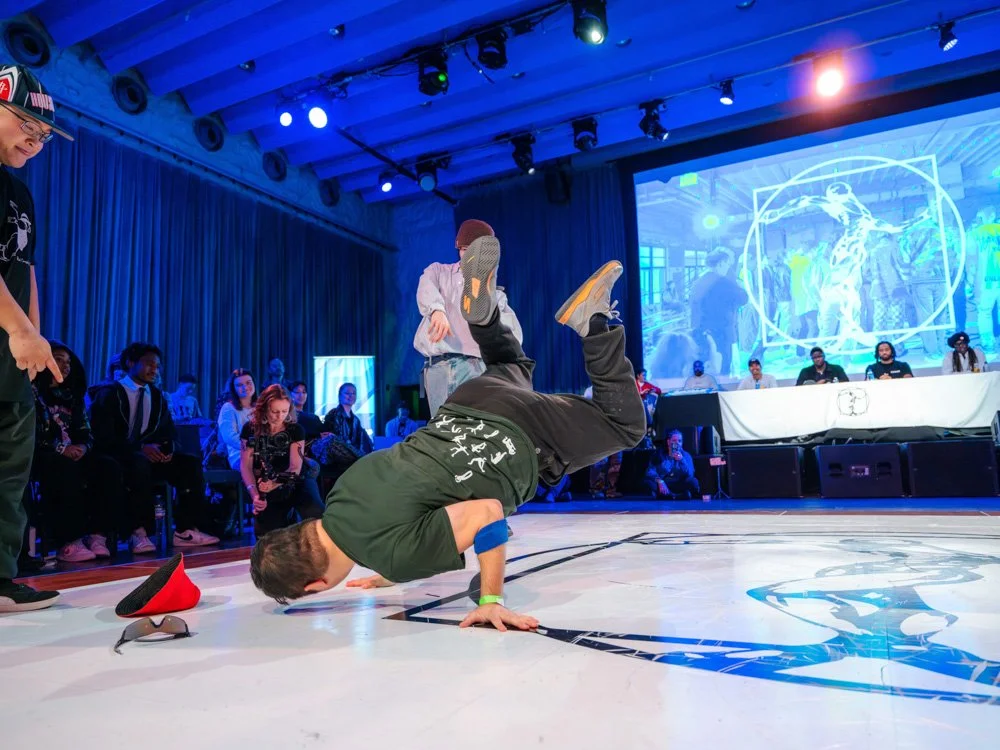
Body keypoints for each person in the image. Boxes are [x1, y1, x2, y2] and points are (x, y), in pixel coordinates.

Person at [250, 238, 646, 630]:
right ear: (300, 530)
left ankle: (594, 323)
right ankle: (483, 319)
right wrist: (388, 569)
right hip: (470, 399)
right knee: (513, 364)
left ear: (317, 586)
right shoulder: (342, 494)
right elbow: (403, 503)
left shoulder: (395, 555)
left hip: (516, 436)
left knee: (625, 426)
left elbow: (487, 513)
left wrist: (490, 600)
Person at [0, 65, 72, 612]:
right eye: (26, 123)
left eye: (44, 134)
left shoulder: (20, 193)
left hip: (11, 355)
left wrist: (36, 336)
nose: (36, 140)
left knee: (9, 469)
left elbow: (25, 269)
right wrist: (19, 328)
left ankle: (1, 576)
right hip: (9, 334)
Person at [90, 342, 219, 552]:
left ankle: (186, 530)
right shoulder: (110, 393)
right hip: (117, 456)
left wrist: (167, 449)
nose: (154, 370)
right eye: (149, 364)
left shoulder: (157, 396)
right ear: (130, 363)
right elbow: (103, 436)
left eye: (157, 366)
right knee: (138, 463)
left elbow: (169, 432)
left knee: (189, 464)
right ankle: (139, 532)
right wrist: (140, 447)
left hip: (147, 457)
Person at [414, 219, 523, 417]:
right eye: (464, 249)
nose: (467, 255)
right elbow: (426, 288)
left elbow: (514, 336)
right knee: (443, 426)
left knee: (473, 425)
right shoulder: (439, 272)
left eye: (474, 251)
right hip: (439, 365)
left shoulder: (495, 294)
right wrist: (437, 310)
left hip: (476, 366)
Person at [33, 341, 124, 562]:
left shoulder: (73, 397)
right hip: (43, 456)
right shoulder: (33, 393)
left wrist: (83, 446)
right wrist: (61, 448)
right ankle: (69, 541)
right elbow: (31, 433)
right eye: (58, 359)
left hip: (74, 454)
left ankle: (97, 535)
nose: (65, 366)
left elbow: (86, 432)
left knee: (108, 467)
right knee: (65, 469)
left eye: (68, 362)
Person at [240, 385, 323, 536]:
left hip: (295, 479)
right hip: (265, 481)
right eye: (275, 411)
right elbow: (246, 466)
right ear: (264, 408)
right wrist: (255, 495)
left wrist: (274, 483)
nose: (280, 416)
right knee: (267, 537)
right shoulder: (250, 429)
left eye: (284, 411)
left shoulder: (295, 430)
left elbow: (295, 468)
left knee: (315, 513)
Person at [217, 368, 256, 471]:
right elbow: (230, 437)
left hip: (264, 453)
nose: (245, 387)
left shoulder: (261, 407)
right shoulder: (228, 408)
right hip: (240, 456)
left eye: (248, 383)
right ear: (233, 389)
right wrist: (255, 447)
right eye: (239, 385)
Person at [646, 430, 699, 499]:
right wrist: (660, 481)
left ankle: (668, 496)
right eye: (674, 440)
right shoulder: (659, 454)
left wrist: (682, 460)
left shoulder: (686, 455)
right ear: (668, 442)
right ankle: (676, 496)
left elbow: (690, 474)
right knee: (648, 482)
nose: (677, 443)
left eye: (680, 441)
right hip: (663, 483)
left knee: (694, 482)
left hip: (678, 483)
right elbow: (650, 471)